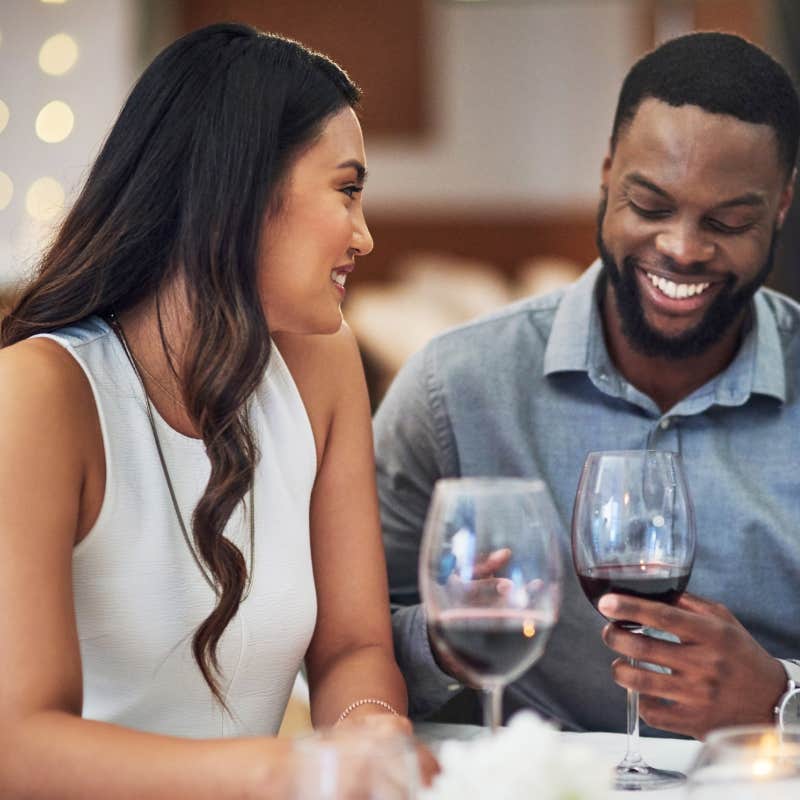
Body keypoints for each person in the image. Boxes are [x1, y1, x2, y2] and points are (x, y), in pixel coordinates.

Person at [0, 22, 420, 799]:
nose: (363, 234)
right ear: (245, 188)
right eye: (348, 189)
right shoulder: (39, 394)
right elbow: (19, 749)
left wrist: (367, 725)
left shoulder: (321, 365)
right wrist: (291, 769)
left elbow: (353, 645)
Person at [375, 31, 800, 741]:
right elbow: (343, 646)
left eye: (728, 222)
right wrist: (448, 635)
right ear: (606, 173)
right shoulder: (456, 386)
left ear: (782, 207)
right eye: (651, 206)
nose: (683, 248)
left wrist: (782, 700)